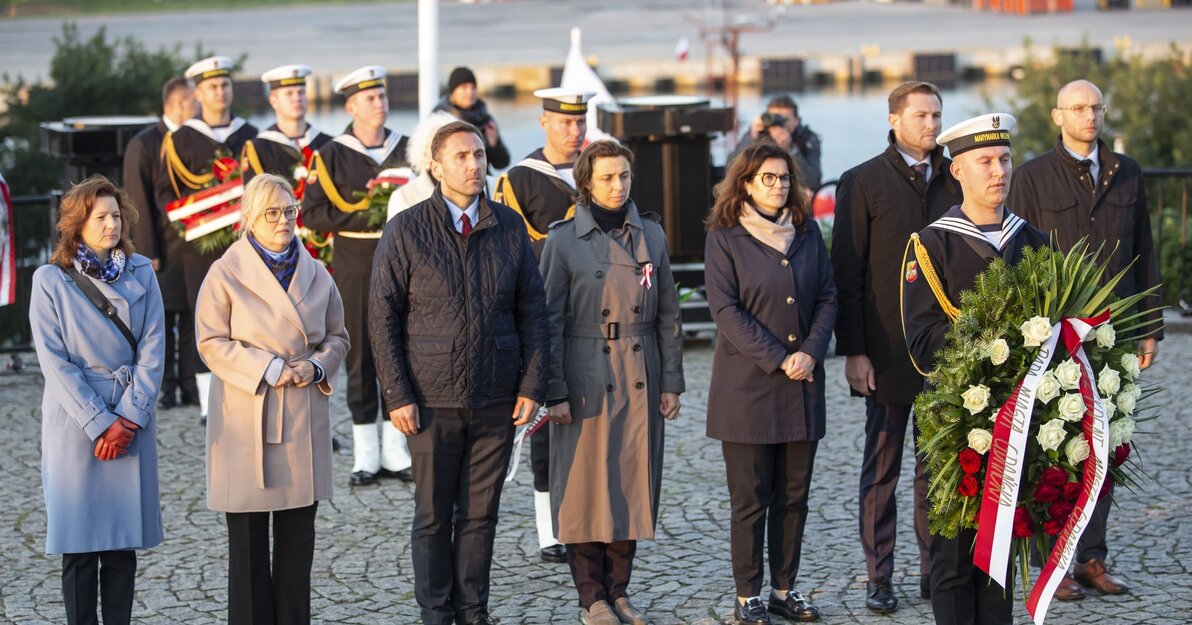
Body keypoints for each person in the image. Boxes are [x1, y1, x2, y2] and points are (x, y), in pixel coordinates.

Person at [369, 121, 550, 625]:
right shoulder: (407, 228)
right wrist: (398, 394)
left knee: (480, 515)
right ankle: (436, 614)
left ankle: (473, 611)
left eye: (479, 155)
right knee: (432, 516)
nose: (475, 165)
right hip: (429, 399)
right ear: (436, 165)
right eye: (462, 157)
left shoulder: (510, 227)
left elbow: (534, 311)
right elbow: (382, 316)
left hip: (495, 396)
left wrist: (533, 384)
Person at [1007, 78, 1161, 599]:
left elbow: (1144, 248)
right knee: (1054, 450)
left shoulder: (1126, 172)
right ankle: (1056, 561)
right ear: (1057, 116)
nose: (1089, 116)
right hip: (1056, 335)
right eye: (1078, 108)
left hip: (1115, 334)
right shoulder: (1030, 177)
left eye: (1096, 107)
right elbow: (1019, 261)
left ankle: (1093, 557)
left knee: (1108, 447)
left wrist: (1150, 326)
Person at [901, 113, 1048, 625]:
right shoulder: (932, 244)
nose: (998, 171)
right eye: (984, 161)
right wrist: (1002, 341)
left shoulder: (1032, 241)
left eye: (1004, 159)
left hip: (1020, 420)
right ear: (957, 170)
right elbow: (922, 345)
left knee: (1000, 556)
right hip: (955, 426)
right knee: (954, 558)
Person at [540, 141, 685, 625]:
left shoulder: (651, 236)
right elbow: (549, 322)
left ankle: (619, 590)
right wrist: (553, 390)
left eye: (623, 176)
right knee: (585, 486)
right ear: (586, 182)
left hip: (639, 369)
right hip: (585, 371)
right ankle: (590, 596)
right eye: (606, 177)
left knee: (630, 482)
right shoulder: (562, 241)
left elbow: (669, 314)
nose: (617, 185)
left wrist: (671, 382)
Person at [831, 81, 962, 612]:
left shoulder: (956, 177)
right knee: (881, 470)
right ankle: (879, 575)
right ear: (894, 120)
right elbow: (847, 272)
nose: (931, 125)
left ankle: (936, 570)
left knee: (939, 468)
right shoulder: (861, 182)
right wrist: (853, 351)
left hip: (946, 352)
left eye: (936, 115)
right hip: (884, 351)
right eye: (921, 116)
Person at [196, 174, 349, 625]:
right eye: (272, 212)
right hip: (247, 415)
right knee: (246, 549)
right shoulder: (225, 272)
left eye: (289, 211)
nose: (283, 221)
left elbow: (339, 336)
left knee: (297, 545)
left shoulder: (317, 271)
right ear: (250, 218)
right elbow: (209, 341)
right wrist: (268, 367)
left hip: (302, 412)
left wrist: (316, 366)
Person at [704, 143, 837, 624]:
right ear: (746, 182)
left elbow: (827, 295)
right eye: (768, 178)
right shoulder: (725, 237)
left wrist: (811, 351)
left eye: (784, 178)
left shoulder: (806, 232)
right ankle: (748, 595)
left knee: (794, 498)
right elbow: (726, 312)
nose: (778, 186)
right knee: (750, 501)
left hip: (802, 387)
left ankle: (785, 588)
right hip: (748, 392)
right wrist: (782, 358)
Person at [30, 175, 165, 625]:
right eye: (100, 216)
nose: (111, 224)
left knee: (121, 546)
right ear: (76, 224)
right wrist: (100, 422)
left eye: (115, 215)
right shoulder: (49, 281)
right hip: (76, 424)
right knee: (80, 548)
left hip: (129, 416)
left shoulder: (142, 271)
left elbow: (153, 349)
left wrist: (128, 418)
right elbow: (55, 364)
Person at [492, 87, 593, 564]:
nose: (575, 131)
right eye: (565, 123)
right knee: (547, 424)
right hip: (542, 314)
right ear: (544, 123)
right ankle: (550, 529)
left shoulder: (601, 171)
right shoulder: (519, 180)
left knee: (594, 420)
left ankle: (591, 519)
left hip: (594, 318)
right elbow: (507, 252)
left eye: (580, 122)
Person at [301, 65, 411, 486]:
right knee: (362, 353)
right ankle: (366, 454)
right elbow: (312, 213)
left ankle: (396, 449)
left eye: (382, 96)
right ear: (350, 106)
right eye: (369, 98)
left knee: (400, 350)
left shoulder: (406, 148)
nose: (379, 103)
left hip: (403, 260)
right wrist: (365, 212)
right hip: (355, 262)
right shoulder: (332, 154)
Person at [156, 55, 258, 424]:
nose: (220, 91)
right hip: (200, 247)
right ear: (198, 93)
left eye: (225, 84)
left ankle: (246, 385)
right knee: (207, 318)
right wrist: (202, 223)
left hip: (245, 245)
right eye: (212, 86)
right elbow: (167, 193)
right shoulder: (180, 139)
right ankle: (206, 401)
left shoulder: (250, 136)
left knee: (247, 316)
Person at [122, 76, 196, 410]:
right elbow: (136, 201)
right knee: (161, 324)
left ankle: (192, 386)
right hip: (160, 250)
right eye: (194, 101)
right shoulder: (145, 143)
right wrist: (147, 251)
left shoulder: (197, 140)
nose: (199, 107)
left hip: (193, 247)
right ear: (180, 103)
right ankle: (165, 389)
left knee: (194, 319)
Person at [241, 64, 333, 188]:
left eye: (301, 92)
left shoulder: (327, 144)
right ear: (274, 101)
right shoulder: (259, 149)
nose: (297, 98)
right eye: (289, 93)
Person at [732, 95, 822, 191]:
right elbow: (731, 170)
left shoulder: (808, 139)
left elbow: (813, 182)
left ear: (797, 121)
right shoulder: (759, 135)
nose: (779, 124)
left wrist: (790, 149)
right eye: (774, 119)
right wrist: (751, 137)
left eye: (784, 120)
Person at [433, 66, 511, 170]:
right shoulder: (440, 119)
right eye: (464, 87)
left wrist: (494, 144)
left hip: (480, 180)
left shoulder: (485, 119)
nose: (470, 92)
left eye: (473, 87)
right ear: (453, 91)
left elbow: (502, 164)